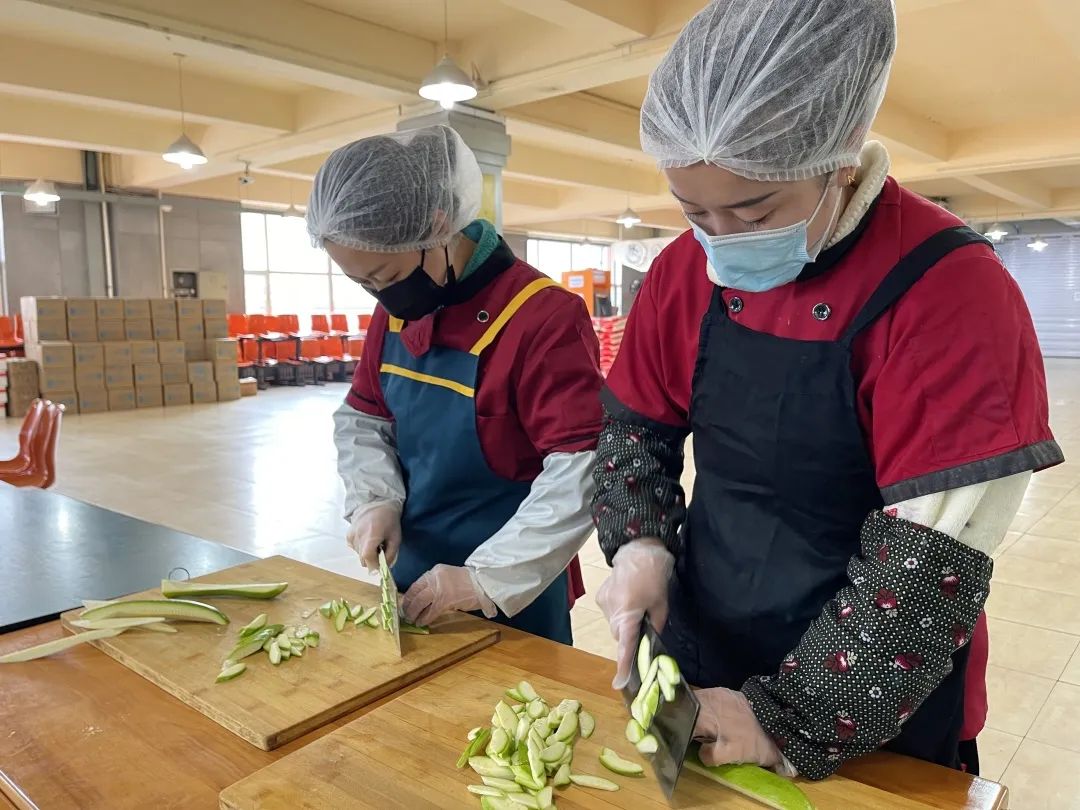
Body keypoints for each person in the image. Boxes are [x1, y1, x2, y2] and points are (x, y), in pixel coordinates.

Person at [591, 0, 1062, 781]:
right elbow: (636, 428)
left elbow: (928, 559)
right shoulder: (683, 269)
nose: (720, 239)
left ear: (842, 155)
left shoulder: (949, 291)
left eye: (755, 210)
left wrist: (789, 717)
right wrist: (639, 545)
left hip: (870, 692)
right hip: (705, 651)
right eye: (694, 209)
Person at [309, 125, 600, 644]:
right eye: (363, 284)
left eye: (384, 275)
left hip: (511, 584)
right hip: (412, 566)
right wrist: (375, 500)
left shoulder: (542, 316)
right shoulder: (395, 310)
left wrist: (484, 579)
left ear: (438, 228)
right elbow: (364, 417)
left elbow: (580, 469)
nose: (380, 296)